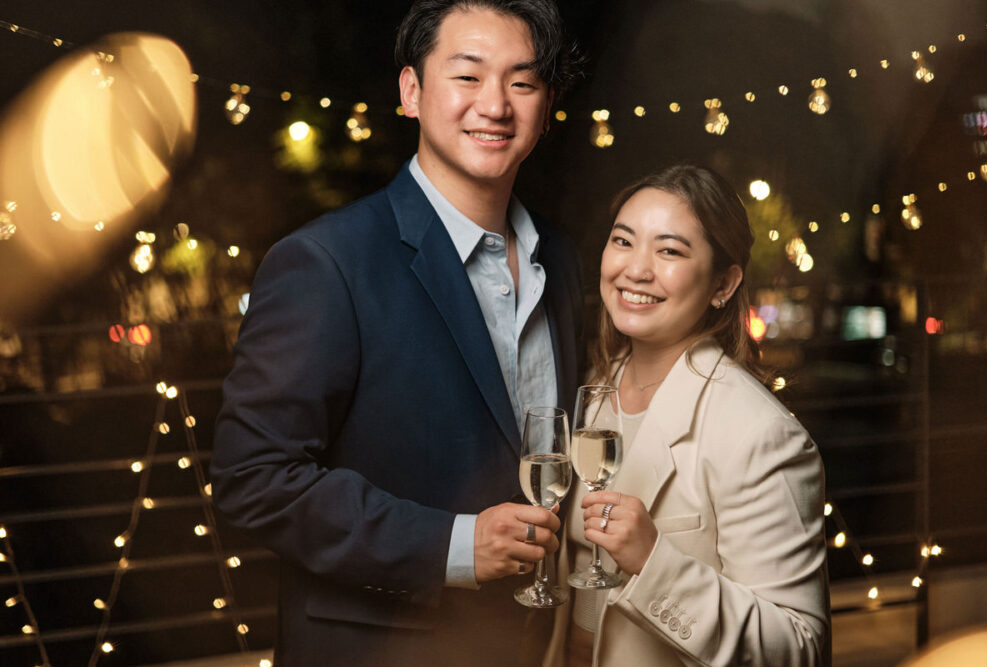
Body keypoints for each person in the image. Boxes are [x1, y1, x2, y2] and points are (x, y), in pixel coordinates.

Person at [210, 2, 583, 665]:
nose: (495, 104)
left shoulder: (565, 257)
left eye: (522, 82)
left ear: (545, 106)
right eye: (467, 76)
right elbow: (253, 480)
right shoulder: (327, 261)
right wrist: (455, 545)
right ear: (411, 91)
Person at [547, 165, 830, 666]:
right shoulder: (591, 391)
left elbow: (800, 647)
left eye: (670, 250)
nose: (636, 269)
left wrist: (655, 563)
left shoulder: (760, 433)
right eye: (623, 241)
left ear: (723, 283)